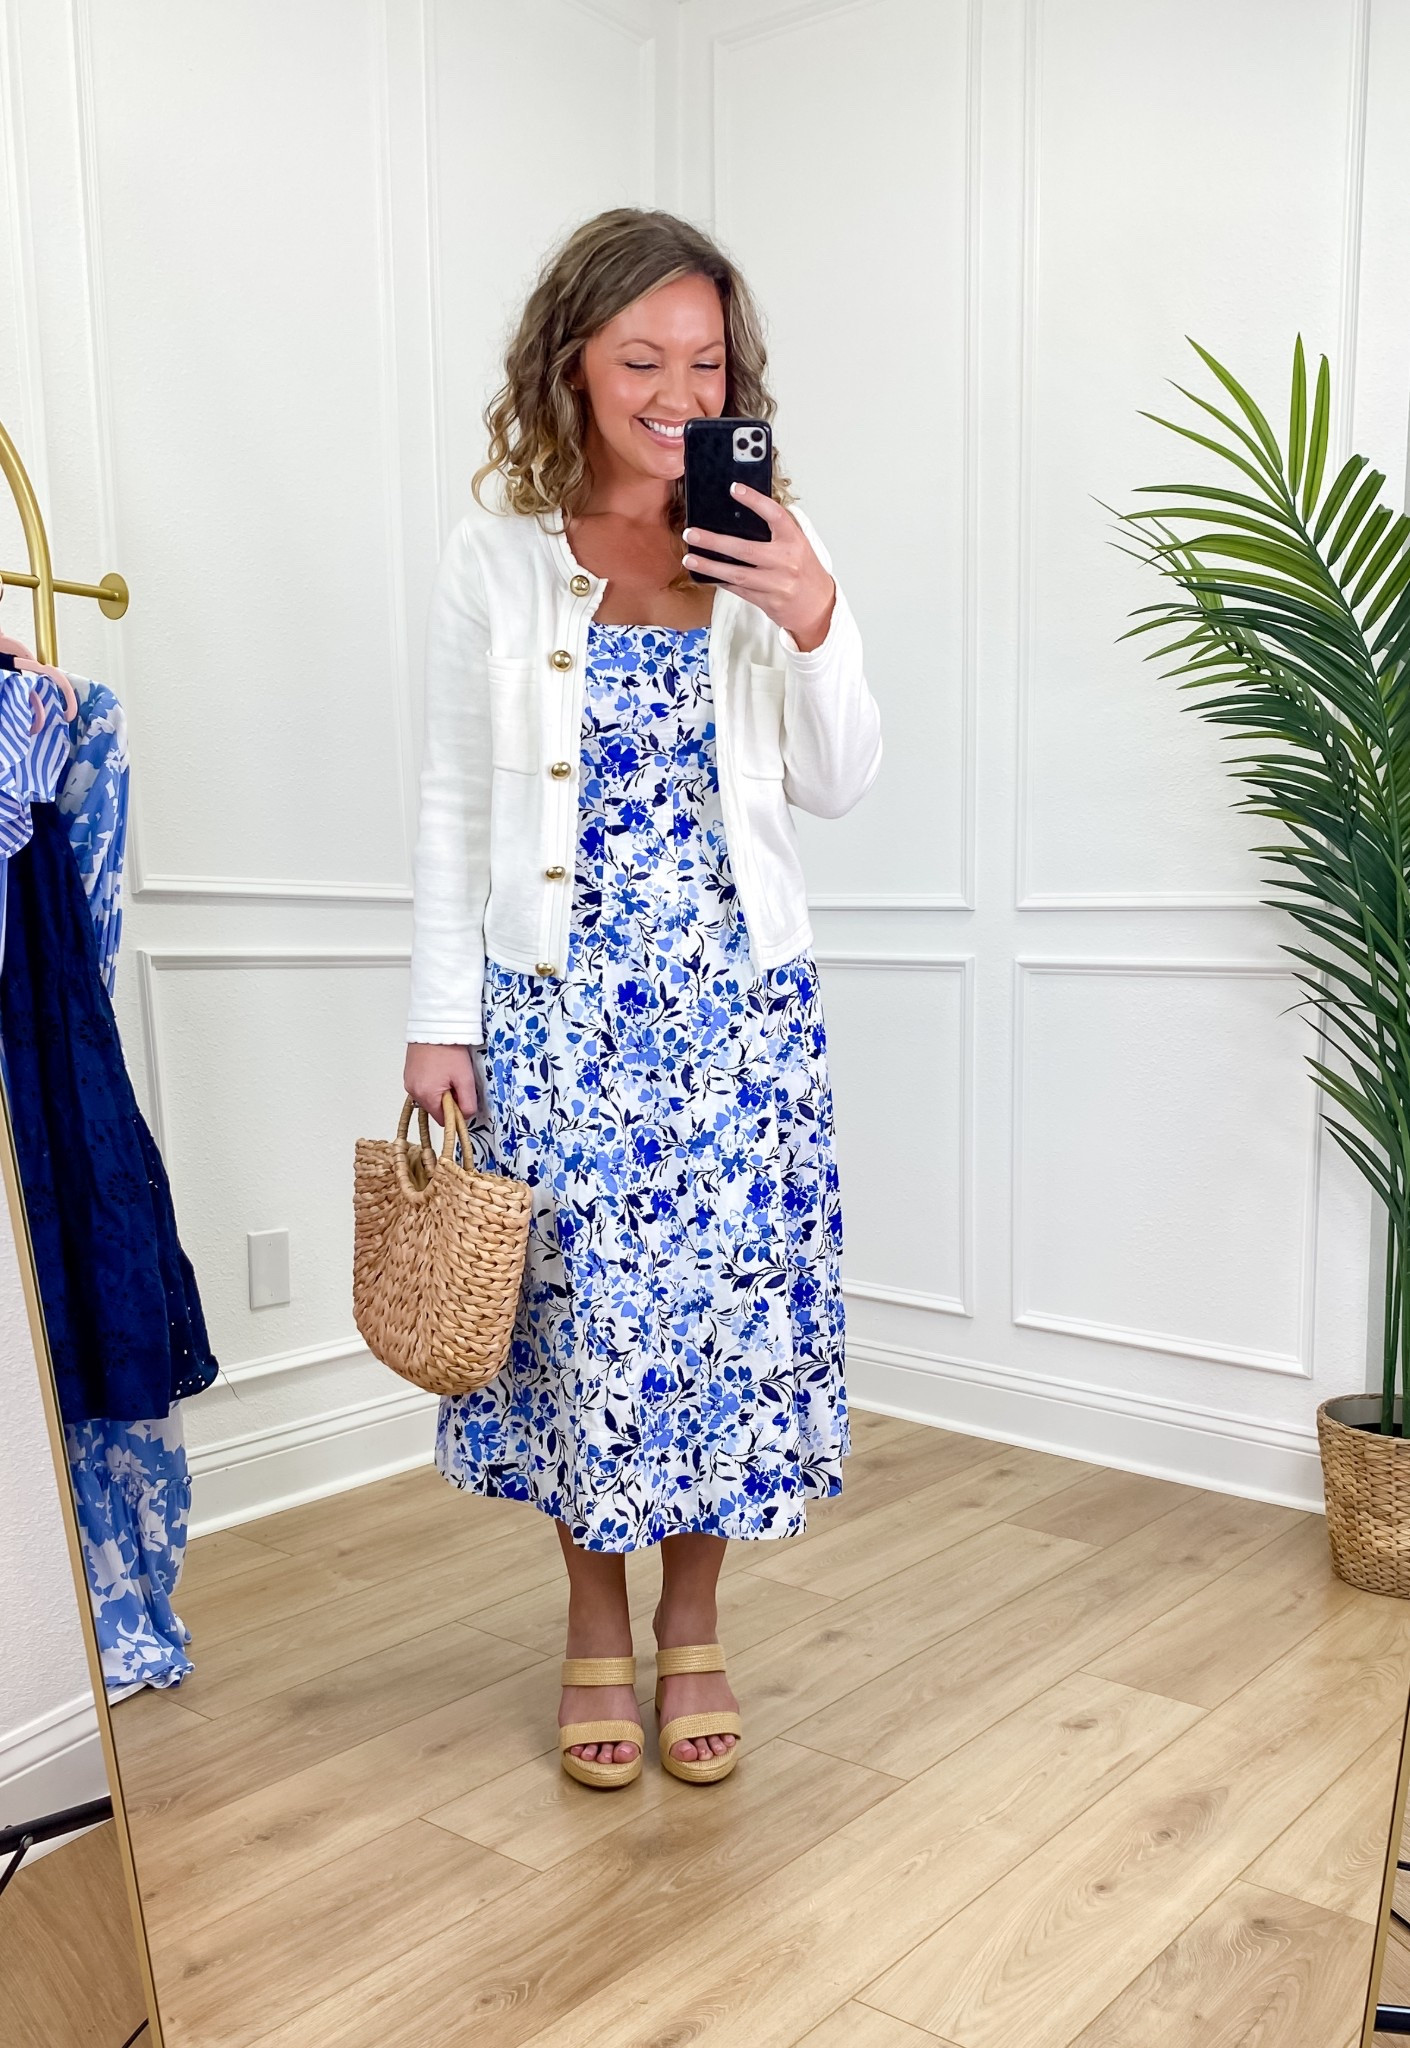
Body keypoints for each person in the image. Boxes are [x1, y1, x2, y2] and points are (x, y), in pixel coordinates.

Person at [404, 206, 882, 1789]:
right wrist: (439, 1012)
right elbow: (453, 804)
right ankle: (591, 1630)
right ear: (574, 364)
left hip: (737, 1013)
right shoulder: (498, 558)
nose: (679, 387)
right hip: (558, 1012)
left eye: (707, 358)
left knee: (717, 1327)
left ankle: (697, 1629)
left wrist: (811, 618)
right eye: (640, 357)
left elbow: (840, 782)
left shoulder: (770, 543)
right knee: (580, 1331)